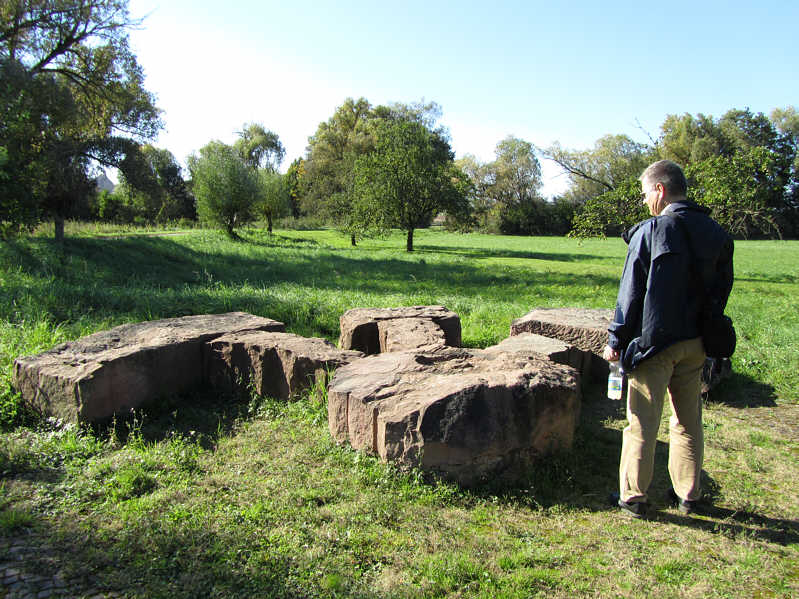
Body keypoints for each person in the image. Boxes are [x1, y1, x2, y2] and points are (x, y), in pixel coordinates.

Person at [602, 159, 734, 518]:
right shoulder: (716, 233)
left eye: (646, 193)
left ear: (660, 189)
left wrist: (616, 339)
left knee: (641, 422)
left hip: (655, 344)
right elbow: (723, 289)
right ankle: (689, 494)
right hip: (696, 344)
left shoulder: (651, 231)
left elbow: (629, 295)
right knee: (688, 421)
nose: (646, 201)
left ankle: (633, 496)